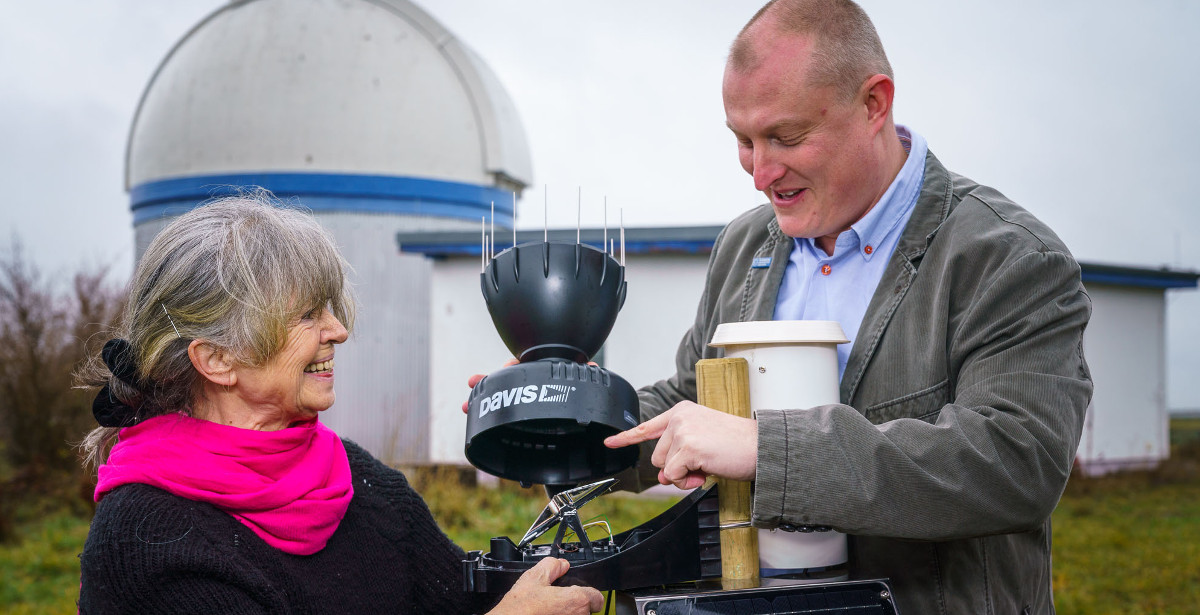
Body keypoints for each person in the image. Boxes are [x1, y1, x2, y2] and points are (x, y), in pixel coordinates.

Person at [603, 1, 1093, 613]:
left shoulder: (1009, 257)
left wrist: (765, 451)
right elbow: (692, 404)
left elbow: (1015, 462)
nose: (760, 172)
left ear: (875, 104)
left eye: (786, 136)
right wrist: (566, 426)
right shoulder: (744, 244)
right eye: (743, 140)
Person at [78, 196, 602, 614]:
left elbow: (468, 601)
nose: (339, 331)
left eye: (330, 307)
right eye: (307, 315)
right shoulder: (150, 542)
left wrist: (558, 417)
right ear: (216, 359)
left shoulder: (356, 480)